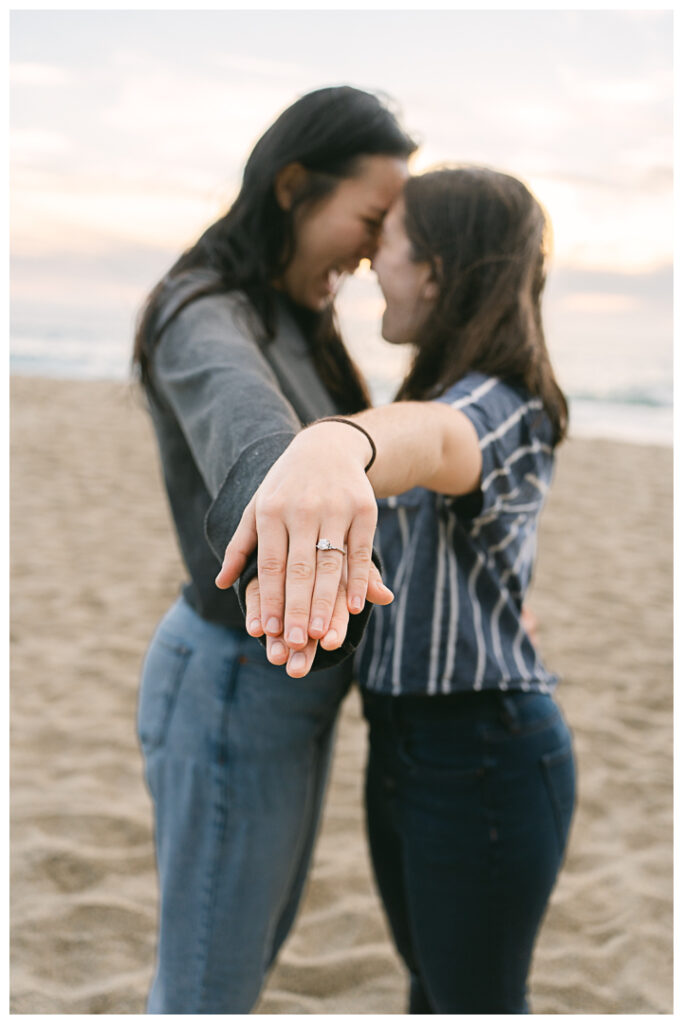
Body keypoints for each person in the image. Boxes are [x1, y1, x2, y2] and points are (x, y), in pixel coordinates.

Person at [218, 166, 577, 1013]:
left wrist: (334, 443)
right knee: (431, 988)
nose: (375, 260)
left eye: (394, 242)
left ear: (439, 271)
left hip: (482, 754)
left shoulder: (503, 401)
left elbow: (439, 442)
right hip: (408, 744)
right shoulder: (438, 388)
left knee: (470, 1002)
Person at [132, 85, 416, 1013]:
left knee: (243, 964)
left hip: (286, 689)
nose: (377, 248)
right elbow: (242, 419)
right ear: (294, 186)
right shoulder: (201, 311)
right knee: (207, 988)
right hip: (226, 685)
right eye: (370, 216)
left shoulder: (299, 313)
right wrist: (289, 479)